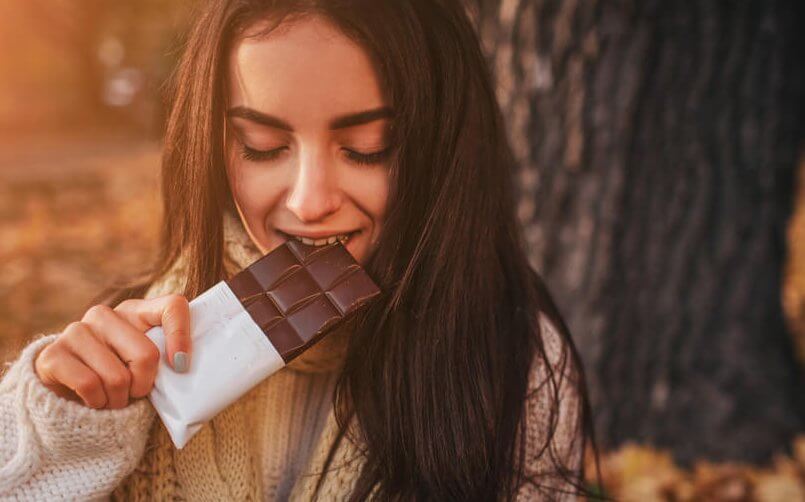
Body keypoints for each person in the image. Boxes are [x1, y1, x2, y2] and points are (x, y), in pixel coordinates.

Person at [0, 0, 603, 500]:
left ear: (444, 149)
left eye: (368, 147)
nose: (310, 201)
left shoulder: (512, 367)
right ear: (213, 145)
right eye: (262, 146)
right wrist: (61, 435)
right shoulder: (132, 344)